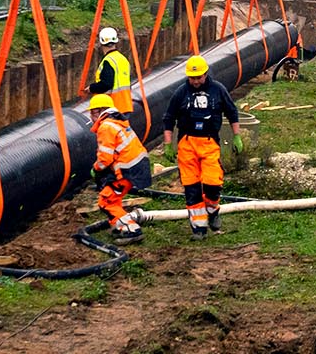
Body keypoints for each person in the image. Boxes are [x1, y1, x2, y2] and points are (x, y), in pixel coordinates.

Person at [161, 54, 243, 237]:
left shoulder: (218, 90)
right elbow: (168, 118)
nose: (196, 81)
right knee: (192, 188)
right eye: (192, 78)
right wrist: (168, 144)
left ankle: (212, 211)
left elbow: (232, 112)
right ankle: (199, 228)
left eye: (198, 77)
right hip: (187, 144)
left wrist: (237, 136)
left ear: (206, 74)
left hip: (209, 143)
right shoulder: (181, 92)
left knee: (213, 182)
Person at [88, 94, 149, 242]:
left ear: (99, 111)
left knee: (106, 201)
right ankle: (119, 226)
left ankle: (131, 230)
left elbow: (105, 158)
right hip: (135, 168)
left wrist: (96, 169)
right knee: (114, 199)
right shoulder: (117, 122)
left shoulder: (106, 127)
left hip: (127, 170)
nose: (91, 116)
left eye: (92, 112)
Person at [88, 26, 133, 114]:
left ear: (101, 42)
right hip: (125, 106)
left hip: (112, 108)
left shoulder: (108, 61)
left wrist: (91, 88)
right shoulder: (123, 59)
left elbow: (106, 84)